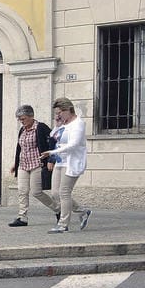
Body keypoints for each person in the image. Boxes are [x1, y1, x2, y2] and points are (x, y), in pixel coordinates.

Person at [41, 97, 92, 233]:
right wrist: (57, 125)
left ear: (68, 110)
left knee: (64, 192)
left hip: (71, 163)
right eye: (56, 113)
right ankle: (82, 211)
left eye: (59, 113)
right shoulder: (64, 124)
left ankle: (63, 224)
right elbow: (53, 136)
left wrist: (52, 152)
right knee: (55, 193)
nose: (58, 116)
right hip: (60, 161)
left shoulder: (78, 124)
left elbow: (73, 144)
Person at [8, 105, 58, 227]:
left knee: (36, 192)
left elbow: (53, 142)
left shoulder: (41, 127)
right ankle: (22, 217)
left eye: (23, 118)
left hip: (37, 164)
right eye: (19, 119)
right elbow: (20, 148)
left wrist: (51, 159)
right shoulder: (22, 130)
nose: (21, 121)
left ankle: (58, 210)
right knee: (22, 191)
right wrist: (16, 163)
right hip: (23, 165)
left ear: (31, 116)